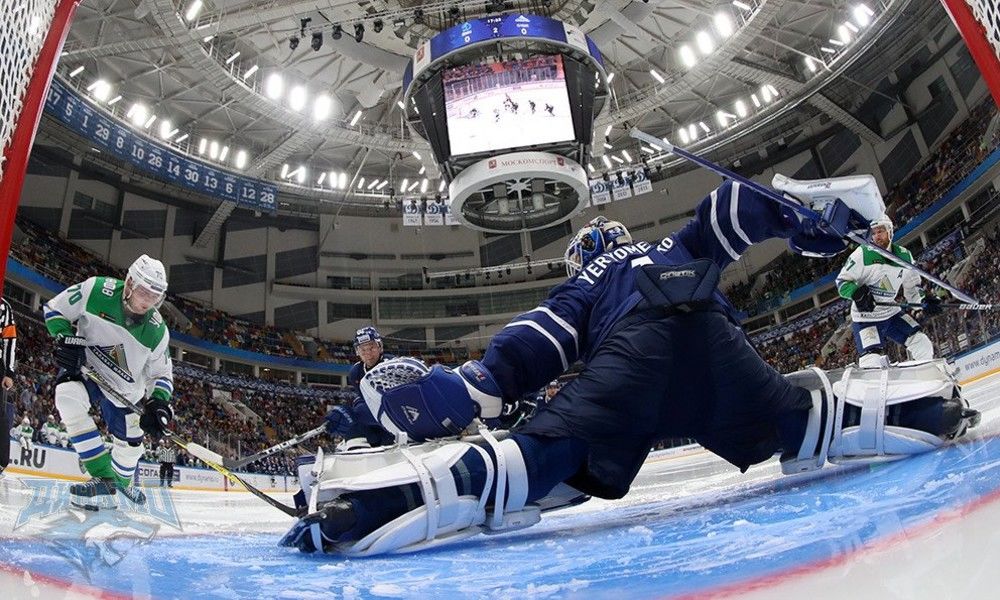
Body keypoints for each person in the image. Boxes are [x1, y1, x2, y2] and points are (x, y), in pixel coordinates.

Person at [282, 176, 977, 556]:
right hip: (715, 348)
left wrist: (458, 392)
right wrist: (813, 222)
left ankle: (368, 506)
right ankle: (925, 408)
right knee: (803, 419)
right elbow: (733, 209)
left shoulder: (586, 283)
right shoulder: (672, 246)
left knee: (528, 462)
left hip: (630, 367)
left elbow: (519, 358)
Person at [43, 254, 174, 507]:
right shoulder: (95, 290)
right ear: (129, 283)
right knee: (67, 397)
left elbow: (162, 374)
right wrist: (64, 336)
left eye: (154, 296)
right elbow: (54, 309)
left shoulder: (157, 331)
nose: (147, 302)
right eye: (144, 292)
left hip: (127, 392)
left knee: (130, 450)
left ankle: (121, 485)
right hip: (87, 370)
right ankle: (104, 478)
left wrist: (158, 404)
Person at [835, 215, 941, 368]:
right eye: (874, 232)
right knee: (871, 363)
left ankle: (925, 378)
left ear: (890, 232)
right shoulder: (863, 253)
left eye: (881, 231)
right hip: (865, 318)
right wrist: (856, 293)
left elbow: (913, 288)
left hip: (891, 313)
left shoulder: (905, 256)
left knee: (921, 342)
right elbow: (842, 282)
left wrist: (923, 302)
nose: (877, 236)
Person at [322, 327, 396, 447]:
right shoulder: (355, 373)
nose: (368, 353)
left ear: (380, 347)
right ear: (357, 351)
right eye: (363, 349)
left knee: (360, 408)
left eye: (371, 347)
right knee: (353, 416)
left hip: (398, 421)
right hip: (377, 423)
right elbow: (366, 403)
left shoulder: (392, 364)